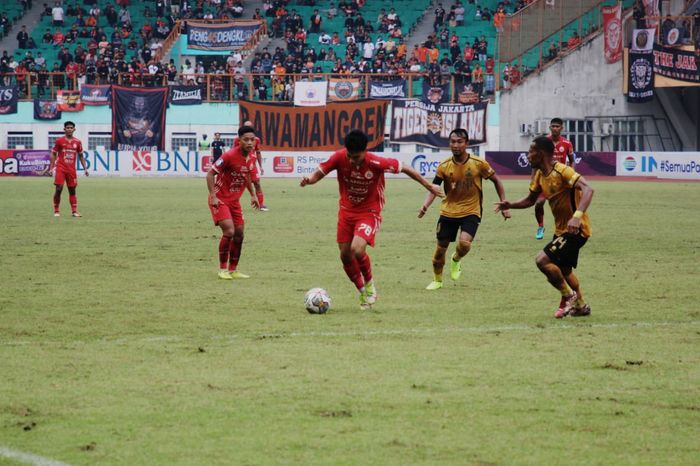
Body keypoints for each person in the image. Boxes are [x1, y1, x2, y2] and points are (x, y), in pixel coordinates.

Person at [300, 129, 444, 310]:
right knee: (345, 255)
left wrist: (428, 185)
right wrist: (309, 180)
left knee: (357, 248)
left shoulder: (377, 162)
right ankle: (362, 292)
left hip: (369, 212)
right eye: (350, 156)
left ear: (365, 151)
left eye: (356, 157)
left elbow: (405, 167)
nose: (352, 161)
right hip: (346, 212)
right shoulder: (339, 157)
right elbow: (319, 173)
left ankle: (370, 285)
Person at [494, 136, 594, 318]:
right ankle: (580, 306)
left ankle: (568, 296)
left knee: (542, 260)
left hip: (576, 230)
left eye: (531, 151)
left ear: (540, 154)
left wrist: (576, 217)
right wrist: (510, 205)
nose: (528, 155)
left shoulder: (563, 171)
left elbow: (588, 189)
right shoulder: (540, 175)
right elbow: (530, 200)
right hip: (561, 230)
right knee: (564, 270)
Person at [418, 128, 510, 290]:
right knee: (439, 252)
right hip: (448, 211)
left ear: (466, 144)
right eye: (453, 142)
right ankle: (437, 280)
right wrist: (425, 205)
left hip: (471, 210)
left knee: (464, 244)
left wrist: (504, 203)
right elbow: (434, 188)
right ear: (449, 143)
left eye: (460, 142)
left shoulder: (478, 163)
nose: (456, 145)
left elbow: (497, 180)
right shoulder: (444, 166)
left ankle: (456, 259)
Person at [206, 125, 260, 280]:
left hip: (235, 202)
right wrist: (213, 196)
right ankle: (222, 269)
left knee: (239, 235)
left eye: (252, 140)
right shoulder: (229, 156)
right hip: (220, 199)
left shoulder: (252, 158)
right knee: (229, 231)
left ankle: (233, 270)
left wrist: (253, 195)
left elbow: (247, 176)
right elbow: (210, 174)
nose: (250, 143)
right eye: (246, 140)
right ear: (239, 141)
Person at [534, 117, 575, 240]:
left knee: (564, 208)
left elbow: (572, 161)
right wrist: (532, 178)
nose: (555, 128)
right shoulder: (543, 142)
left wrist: (571, 174)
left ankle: (568, 228)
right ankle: (540, 226)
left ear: (562, 128)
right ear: (550, 127)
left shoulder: (567, 143)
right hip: (545, 178)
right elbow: (536, 160)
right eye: (553, 126)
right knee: (539, 203)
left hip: (560, 181)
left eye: (557, 126)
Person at [49, 121, 89, 217]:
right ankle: (56, 211)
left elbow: (81, 156)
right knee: (59, 188)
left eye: (71, 128)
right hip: (61, 168)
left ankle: (74, 211)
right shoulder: (59, 141)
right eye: (67, 127)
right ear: (64, 129)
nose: (69, 129)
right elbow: (54, 153)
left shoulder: (78, 142)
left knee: (72, 190)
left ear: (74, 129)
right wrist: (51, 167)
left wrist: (85, 168)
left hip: (71, 170)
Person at [234, 120, 267, 211]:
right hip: (241, 165)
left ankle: (261, 205)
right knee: (237, 184)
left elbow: (258, 152)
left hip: (252, 164)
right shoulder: (237, 139)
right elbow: (234, 152)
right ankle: (232, 203)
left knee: (257, 184)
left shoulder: (256, 140)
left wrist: (260, 166)